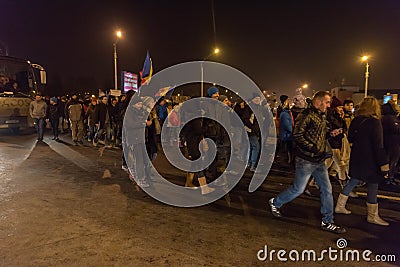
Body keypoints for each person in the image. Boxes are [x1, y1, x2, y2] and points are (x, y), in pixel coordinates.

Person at [269, 91, 346, 234]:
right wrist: (314, 148)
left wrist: (330, 134)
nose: (329, 105)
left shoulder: (320, 116)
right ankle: (275, 202)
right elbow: (297, 135)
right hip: (306, 160)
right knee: (298, 189)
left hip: (318, 159)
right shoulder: (306, 115)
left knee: (327, 190)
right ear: (319, 102)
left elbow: (318, 135)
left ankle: (327, 221)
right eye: (327, 102)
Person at [335, 96, 390, 226]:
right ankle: (372, 215)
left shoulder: (356, 120)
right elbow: (378, 145)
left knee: (353, 180)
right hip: (371, 159)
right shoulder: (375, 122)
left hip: (357, 156)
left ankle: (340, 205)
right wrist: (383, 164)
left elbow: (351, 138)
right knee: (373, 184)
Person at [381, 100, 400, 187]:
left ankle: (389, 176)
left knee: (391, 160)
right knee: (392, 160)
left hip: (389, 142)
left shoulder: (386, 118)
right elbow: (396, 129)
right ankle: (389, 177)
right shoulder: (390, 118)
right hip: (392, 143)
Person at [243, 93, 262, 172]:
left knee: (251, 147)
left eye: (259, 98)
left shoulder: (258, 108)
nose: (257, 100)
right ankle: (253, 165)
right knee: (256, 147)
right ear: (252, 99)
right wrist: (253, 128)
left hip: (256, 131)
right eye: (256, 98)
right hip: (251, 131)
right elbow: (245, 119)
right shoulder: (249, 108)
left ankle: (249, 163)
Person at [278, 95, 294, 164]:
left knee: (286, 148)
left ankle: (288, 160)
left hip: (284, 134)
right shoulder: (285, 113)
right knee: (287, 149)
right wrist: (292, 131)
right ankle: (287, 161)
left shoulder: (284, 112)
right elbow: (287, 125)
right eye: (288, 100)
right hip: (286, 135)